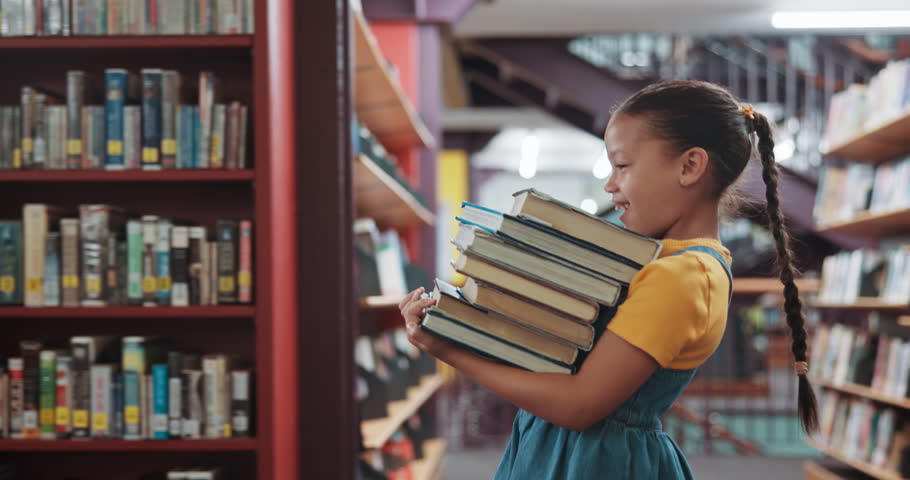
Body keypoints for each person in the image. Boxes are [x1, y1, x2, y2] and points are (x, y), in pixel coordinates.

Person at [398, 80, 818, 479]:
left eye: (622, 166)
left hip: (596, 462)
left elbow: (580, 405)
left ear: (690, 166)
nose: (610, 184)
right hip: (567, 451)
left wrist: (447, 349)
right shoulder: (659, 261)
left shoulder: (684, 276)